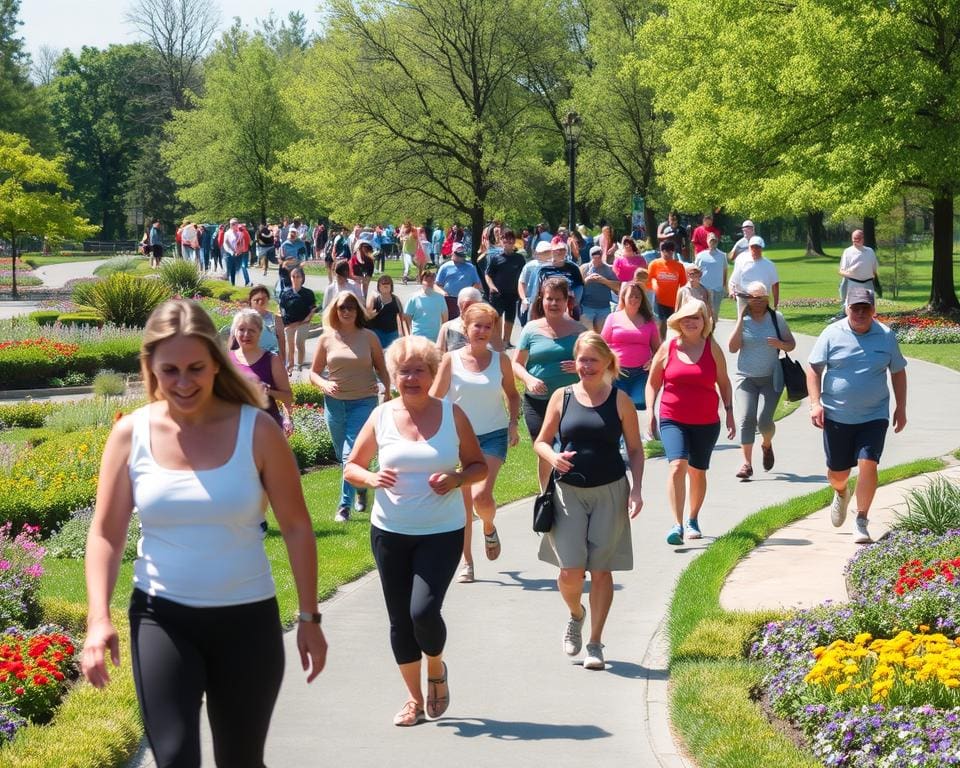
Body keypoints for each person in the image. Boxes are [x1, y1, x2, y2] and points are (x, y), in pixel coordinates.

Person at [81, 299, 327, 767]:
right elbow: (106, 534)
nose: (183, 382)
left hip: (246, 620)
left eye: (196, 367)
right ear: (150, 367)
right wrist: (98, 619)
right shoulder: (130, 434)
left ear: (217, 361)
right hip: (161, 618)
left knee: (241, 760)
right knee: (173, 757)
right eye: (169, 369)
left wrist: (310, 617)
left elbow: (296, 526)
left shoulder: (258, 431)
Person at [343, 336, 487, 726]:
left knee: (423, 611)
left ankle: (436, 667)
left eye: (419, 370)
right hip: (390, 531)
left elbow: (478, 466)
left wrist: (457, 478)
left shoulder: (452, 415)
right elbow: (351, 466)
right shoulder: (382, 416)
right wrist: (371, 478)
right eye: (403, 371)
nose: (411, 378)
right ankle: (413, 699)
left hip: (442, 531)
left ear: (432, 372)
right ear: (394, 375)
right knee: (399, 619)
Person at [533, 332, 644, 670]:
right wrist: (552, 457)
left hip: (610, 491)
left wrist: (637, 490)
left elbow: (636, 450)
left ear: (607, 363)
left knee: (600, 570)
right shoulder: (561, 397)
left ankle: (595, 643)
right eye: (582, 359)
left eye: (593, 360)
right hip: (568, 492)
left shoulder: (620, 400)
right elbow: (541, 441)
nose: (586, 366)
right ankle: (576, 613)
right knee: (569, 571)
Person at [807, 286, 907, 544]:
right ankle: (841, 492)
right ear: (847, 309)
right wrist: (815, 403)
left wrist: (901, 407)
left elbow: (898, 371)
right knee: (838, 474)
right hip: (837, 416)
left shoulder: (885, 336)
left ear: (874, 310)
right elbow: (814, 369)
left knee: (868, 463)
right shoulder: (831, 333)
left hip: (874, 415)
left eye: (866, 308)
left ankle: (861, 519)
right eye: (855, 308)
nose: (860, 313)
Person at [431, 303, 520, 584]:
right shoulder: (451, 360)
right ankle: (467, 562)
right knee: (464, 504)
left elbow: (513, 395)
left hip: (493, 435)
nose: (482, 331)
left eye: (487, 326)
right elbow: (434, 397)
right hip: (458, 440)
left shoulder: (500, 360)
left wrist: (513, 423)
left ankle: (489, 525)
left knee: (482, 496)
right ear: (465, 329)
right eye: (477, 325)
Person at [646, 299, 735, 545]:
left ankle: (693, 518)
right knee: (677, 466)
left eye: (696, 317)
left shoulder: (712, 348)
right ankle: (677, 524)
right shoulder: (668, 347)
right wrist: (650, 412)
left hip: (706, 421)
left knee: (697, 471)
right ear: (678, 322)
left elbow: (724, 383)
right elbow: (653, 383)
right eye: (686, 318)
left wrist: (729, 412)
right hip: (672, 417)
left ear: (704, 321)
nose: (691, 322)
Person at [310, 290, 392, 522]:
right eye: (342, 307)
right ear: (335, 311)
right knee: (342, 453)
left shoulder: (369, 337)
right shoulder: (327, 338)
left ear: (358, 311)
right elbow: (313, 373)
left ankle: (343, 507)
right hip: (335, 404)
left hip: (364, 402)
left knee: (349, 455)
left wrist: (387, 391)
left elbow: (381, 368)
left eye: (351, 307)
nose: (346, 311)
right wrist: (324, 384)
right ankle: (361, 486)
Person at [512, 277, 583, 489]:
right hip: (538, 401)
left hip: (571, 401)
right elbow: (516, 364)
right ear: (542, 300)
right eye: (549, 299)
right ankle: (546, 494)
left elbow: (599, 363)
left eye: (558, 300)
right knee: (544, 448)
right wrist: (529, 379)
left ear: (566, 302)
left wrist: (580, 367)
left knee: (570, 449)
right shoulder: (531, 329)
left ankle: (570, 489)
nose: (553, 304)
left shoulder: (579, 331)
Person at [727, 282, 796, 479]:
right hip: (745, 378)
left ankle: (766, 444)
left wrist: (780, 344)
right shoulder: (744, 320)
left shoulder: (776, 318)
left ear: (767, 299)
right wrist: (740, 318)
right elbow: (732, 348)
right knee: (747, 418)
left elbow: (791, 344)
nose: (756, 302)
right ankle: (746, 464)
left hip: (771, 377)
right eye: (752, 298)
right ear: (747, 299)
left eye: (760, 298)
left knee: (765, 422)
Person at [601, 279, 661, 436]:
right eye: (631, 296)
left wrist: (653, 360)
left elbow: (658, 349)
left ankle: (645, 435)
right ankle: (620, 441)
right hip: (617, 372)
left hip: (641, 373)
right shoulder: (613, 318)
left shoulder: (649, 322)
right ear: (623, 298)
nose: (634, 300)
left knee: (640, 403)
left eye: (637, 297)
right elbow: (602, 345)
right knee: (617, 407)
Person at [229, 308, 293, 433]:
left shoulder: (272, 359)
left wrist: (268, 391)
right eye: (241, 329)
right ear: (235, 331)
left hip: (265, 429)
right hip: (234, 429)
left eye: (252, 330)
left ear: (259, 332)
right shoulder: (226, 359)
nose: (246, 334)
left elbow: (288, 397)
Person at [484, 227, 525, 346]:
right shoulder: (496, 258)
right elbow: (488, 274)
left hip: (513, 293)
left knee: (510, 318)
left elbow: (523, 276)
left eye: (511, 240)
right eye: (506, 240)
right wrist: (491, 286)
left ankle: (506, 340)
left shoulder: (519, 258)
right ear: (501, 241)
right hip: (498, 293)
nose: (508, 243)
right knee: (497, 317)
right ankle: (497, 341)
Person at [279, 267, 317, 374]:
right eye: (293, 276)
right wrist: (284, 323)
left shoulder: (308, 293)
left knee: (299, 343)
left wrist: (307, 319)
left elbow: (313, 308)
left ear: (302, 278)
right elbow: (282, 309)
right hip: (290, 324)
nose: (295, 279)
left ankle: (300, 364)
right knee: (290, 346)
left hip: (303, 323)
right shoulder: (286, 294)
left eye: (298, 276)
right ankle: (290, 366)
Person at [646, 240, 687, 339]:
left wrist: (682, 300)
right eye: (664, 251)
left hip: (674, 301)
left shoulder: (679, 266)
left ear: (673, 252)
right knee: (661, 323)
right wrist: (654, 286)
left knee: (674, 324)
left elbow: (684, 285)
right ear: (661, 251)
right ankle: (662, 344)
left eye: (670, 251)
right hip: (659, 300)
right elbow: (647, 282)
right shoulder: (654, 264)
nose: (667, 254)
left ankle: (675, 343)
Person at [728, 235, 780, 313]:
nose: (754, 250)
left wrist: (775, 305)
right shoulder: (742, 261)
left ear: (761, 248)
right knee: (744, 322)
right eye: (752, 247)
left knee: (761, 322)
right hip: (744, 297)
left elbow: (775, 285)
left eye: (757, 247)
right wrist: (731, 291)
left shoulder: (769, 265)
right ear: (749, 248)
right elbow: (733, 281)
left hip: (762, 299)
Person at [436, 242, 481, 320]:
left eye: (463, 255)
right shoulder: (445, 267)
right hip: (450, 299)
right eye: (459, 255)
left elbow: (477, 283)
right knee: (450, 321)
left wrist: (470, 294)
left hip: (466, 299)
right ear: (453, 254)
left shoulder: (471, 267)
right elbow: (437, 284)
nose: (462, 258)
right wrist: (443, 292)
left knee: (466, 320)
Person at [580, 244, 620, 332]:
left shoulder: (609, 269)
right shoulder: (584, 268)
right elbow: (578, 287)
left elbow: (618, 288)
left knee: (603, 335)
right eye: (594, 257)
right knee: (587, 335)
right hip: (587, 307)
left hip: (604, 307)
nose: (597, 259)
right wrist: (587, 280)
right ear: (591, 257)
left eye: (599, 257)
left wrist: (604, 281)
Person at [366, 274, 408, 350]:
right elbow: (368, 313)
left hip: (392, 333)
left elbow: (402, 317)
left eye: (388, 283)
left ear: (391, 286)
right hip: (377, 332)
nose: (385, 284)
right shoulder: (375, 300)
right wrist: (372, 296)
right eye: (383, 283)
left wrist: (403, 334)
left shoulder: (396, 299)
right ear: (379, 286)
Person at [404, 270, 448, 341]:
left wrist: (442, 337)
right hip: (417, 337)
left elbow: (445, 319)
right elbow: (407, 318)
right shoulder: (414, 298)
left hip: (435, 338)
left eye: (431, 280)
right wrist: (409, 334)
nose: (428, 282)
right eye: (426, 280)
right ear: (421, 281)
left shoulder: (440, 298)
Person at [838, 229, 878, 304]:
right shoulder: (848, 251)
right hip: (853, 284)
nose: (856, 240)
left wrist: (869, 276)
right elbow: (841, 271)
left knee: (869, 308)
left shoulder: (870, 251)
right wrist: (851, 273)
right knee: (852, 308)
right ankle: (843, 312)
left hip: (868, 284)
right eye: (854, 238)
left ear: (863, 239)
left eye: (858, 238)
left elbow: (874, 270)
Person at [695, 232, 727, 322]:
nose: (713, 243)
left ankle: (711, 333)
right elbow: (695, 271)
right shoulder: (700, 256)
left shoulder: (722, 256)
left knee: (715, 314)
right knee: (704, 313)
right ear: (707, 241)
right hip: (704, 289)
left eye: (715, 241)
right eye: (711, 241)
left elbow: (724, 271)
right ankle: (704, 334)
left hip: (718, 289)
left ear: (717, 242)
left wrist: (725, 286)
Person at [518, 240, 551, 326]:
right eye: (543, 252)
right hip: (531, 301)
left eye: (547, 252)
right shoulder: (530, 266)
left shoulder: (554, 266)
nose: (545, 254)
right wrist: (523, 298)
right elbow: (522, 282)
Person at [248, 285, 286, 361]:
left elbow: (281, 343)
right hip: (250, 361)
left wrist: (282, 362)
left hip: (271, 361)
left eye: (263, 299)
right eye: (257, 300)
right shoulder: (244, 319)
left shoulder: (276, 319)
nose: (260, 302)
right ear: (250, 301)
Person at [350, 235, 377, 299]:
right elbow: (351, 276)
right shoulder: (353, 260)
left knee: (365, 285)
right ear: (359, 248)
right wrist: (361, 279)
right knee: (356, 286)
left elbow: (367, 280)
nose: (366, 249)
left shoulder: (370, 261)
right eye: (364, 247)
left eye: (368, 248)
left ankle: (364, 299)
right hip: (353, 283)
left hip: (362, 278)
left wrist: (365, 297)